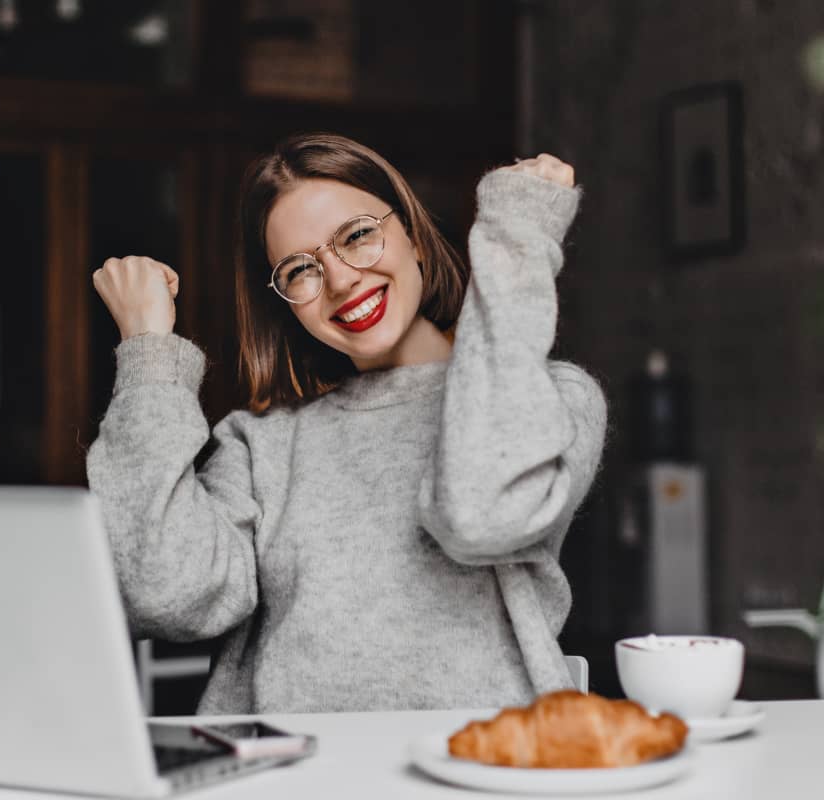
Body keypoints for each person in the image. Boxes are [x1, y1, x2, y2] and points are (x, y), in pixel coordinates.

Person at [88, 133, 607, 714]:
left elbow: (482, 514)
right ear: (285, 300)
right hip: (292, 776)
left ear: (410, 230)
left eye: (358, 235)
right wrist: (147, 349)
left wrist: (517, 235)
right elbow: (166, 596)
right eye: (300, 270)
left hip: (479, 769)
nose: (339, 281)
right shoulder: (262, 442)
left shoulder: (554, 399)